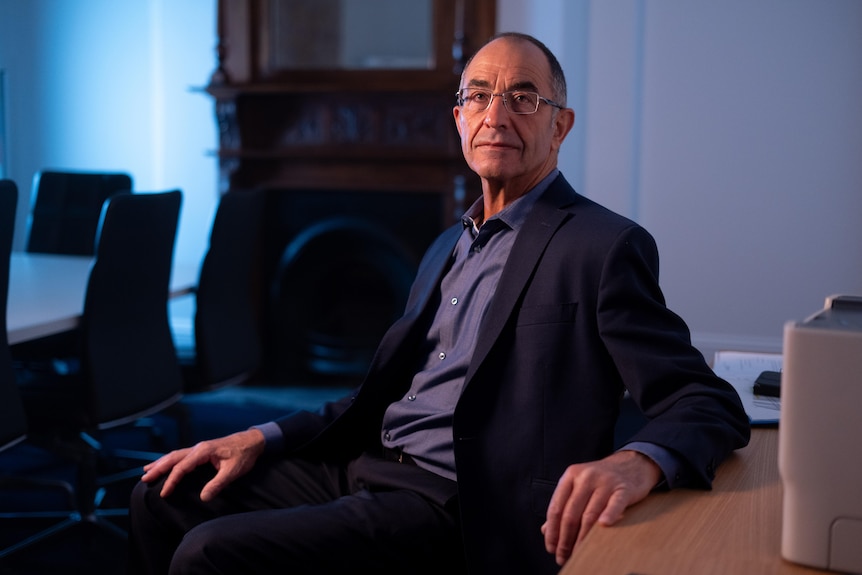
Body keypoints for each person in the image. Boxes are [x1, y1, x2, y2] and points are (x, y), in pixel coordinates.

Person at [129, 32, 750, 575]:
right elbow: (376, 397)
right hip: (367, 463)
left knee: (209, 553)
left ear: (559, 126)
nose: (496, 115)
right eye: (478, 96)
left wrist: (636, 462)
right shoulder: (445, 246)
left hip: (457, 503)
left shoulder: (603, 246)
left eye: (523, 98)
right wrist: (259, 436)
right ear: (459, 118)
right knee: (162, 496)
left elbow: (705, 401)